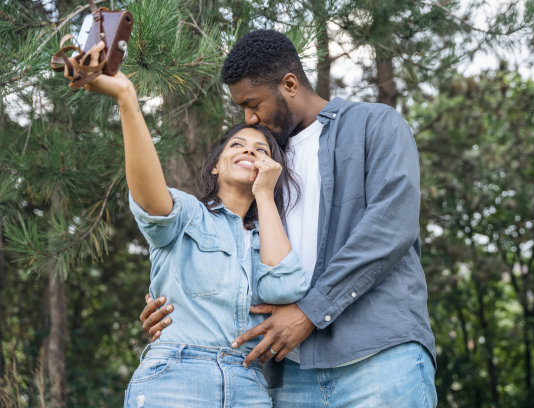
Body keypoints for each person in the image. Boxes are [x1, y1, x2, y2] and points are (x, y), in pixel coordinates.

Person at [141, 29, 437, 407]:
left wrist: (309, 312)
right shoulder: (258, 163)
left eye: (253, 103)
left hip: (379, 358)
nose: (250, 118)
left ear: (290, 84)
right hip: (287, 375)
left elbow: (391, 227)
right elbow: (222, 247)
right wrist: (173, 312)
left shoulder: (374, 125)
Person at [66, 42, 308, 407]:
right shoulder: (189, 214)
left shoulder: (269, 234)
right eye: (237, 145)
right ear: (216, 166)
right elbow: (150, 198)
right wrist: (127, 98)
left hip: (250, 388)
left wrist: (264, 196)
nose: (248, 151)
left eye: (261, 151)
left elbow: (285, 289)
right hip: (177, 377)